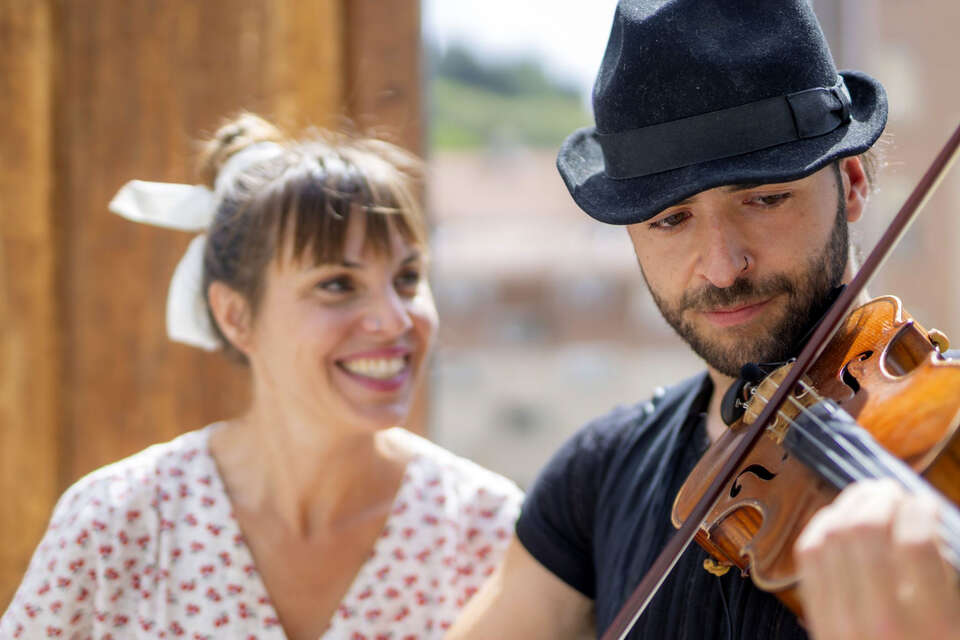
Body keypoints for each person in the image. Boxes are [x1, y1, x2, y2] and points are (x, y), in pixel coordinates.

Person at [448, 2, 960, 639]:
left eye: (765, 198)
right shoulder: (597, 476)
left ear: (852, 184)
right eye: (671, 219)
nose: (721, 267)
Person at [0, 114, 522, 639]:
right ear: (235, 316)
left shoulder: (489, 531)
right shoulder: (115, 523)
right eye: (338, 284)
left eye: (407, 278)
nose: (395, 319)